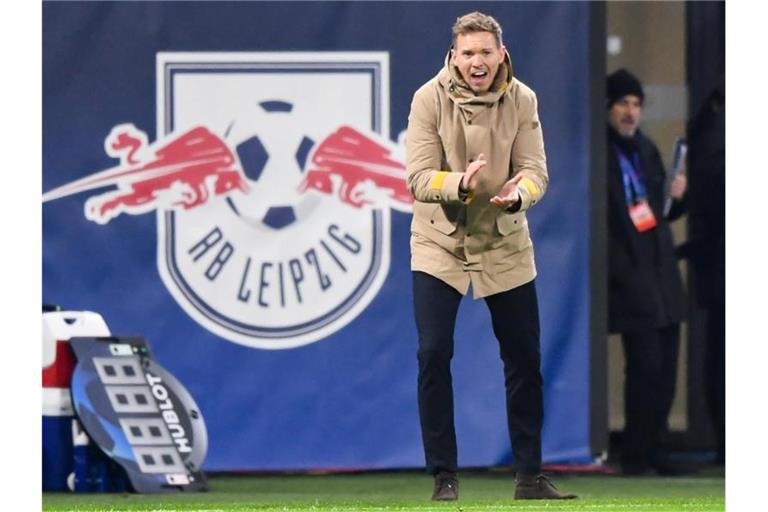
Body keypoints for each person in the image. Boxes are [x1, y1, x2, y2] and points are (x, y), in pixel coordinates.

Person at [405, 11, 576, 501]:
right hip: (440, 239)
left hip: (504, 237)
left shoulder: (523, 99)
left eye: (485, 52)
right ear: (453, 56)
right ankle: (444, 477)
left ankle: (528, 477)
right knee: (433, 352)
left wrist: (519, 194)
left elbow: (534, 170)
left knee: (523, 357)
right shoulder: (427, 98)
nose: (476, 61)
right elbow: (417, 179)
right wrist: (458, 183)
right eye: (467, 53)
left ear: (500, 54)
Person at [605, 69, 688, 475]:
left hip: (662, 278)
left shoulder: (648, 150)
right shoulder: (602, 156)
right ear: (608, 108)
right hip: (633, 281)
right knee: (645, 368)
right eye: (622, 103)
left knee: (667, 370)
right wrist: (623, 272)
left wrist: (679, 197)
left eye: (636, 104)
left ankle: (658, 450)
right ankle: (636, 454)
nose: (630, 111)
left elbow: (660, 215)